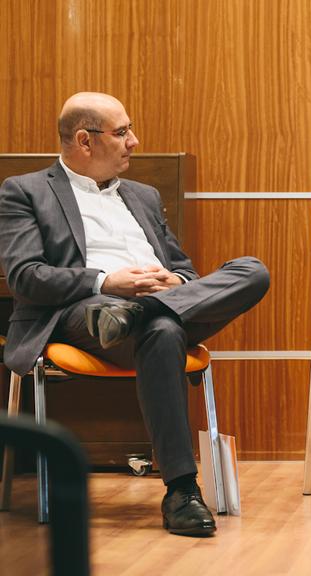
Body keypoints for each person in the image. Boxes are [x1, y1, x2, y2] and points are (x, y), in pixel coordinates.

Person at [0, 92, 270, 537]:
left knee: (251, 271)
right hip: (83, 313)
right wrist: (106, 282)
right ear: (85, 140)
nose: (134, 141)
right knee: (162, 330)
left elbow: (185, 270)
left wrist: (174, 282)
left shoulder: (143, 195)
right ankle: (182, 490)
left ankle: (140, 312)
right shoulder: (26, 191)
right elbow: (26, 277)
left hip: (144, 313)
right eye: (122, 132)